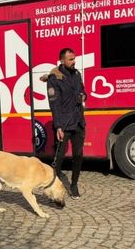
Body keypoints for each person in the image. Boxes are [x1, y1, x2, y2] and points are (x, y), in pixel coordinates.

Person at [44, 48, 87, 200]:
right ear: (62, 60)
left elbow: (83, 91)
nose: (73, 61)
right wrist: (58, 126)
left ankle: (74, 184)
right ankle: (52, 185)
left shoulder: (77, 74)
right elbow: (54, 104)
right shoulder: (54, 78)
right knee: (59, 156)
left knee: (78, 155)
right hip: (64, 123)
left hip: (79, 122)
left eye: (74, 58)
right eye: (70, 59)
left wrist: (83, 96)